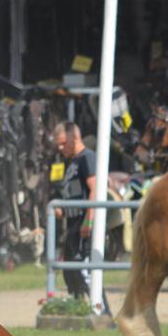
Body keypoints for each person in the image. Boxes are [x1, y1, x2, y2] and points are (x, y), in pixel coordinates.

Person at [51, 121, 96, 300]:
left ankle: (100, 308)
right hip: (72, 223)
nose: (60, 148)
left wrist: (89, 220)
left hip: (83, 222)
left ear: (75, 137)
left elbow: (95, 189)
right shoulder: (72, 161)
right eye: (58, 144)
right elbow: (75, 192)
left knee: (83, 271)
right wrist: (63, 209)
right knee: (70, 273)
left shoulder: (87, 157)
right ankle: (78, 306)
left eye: (64, 143)